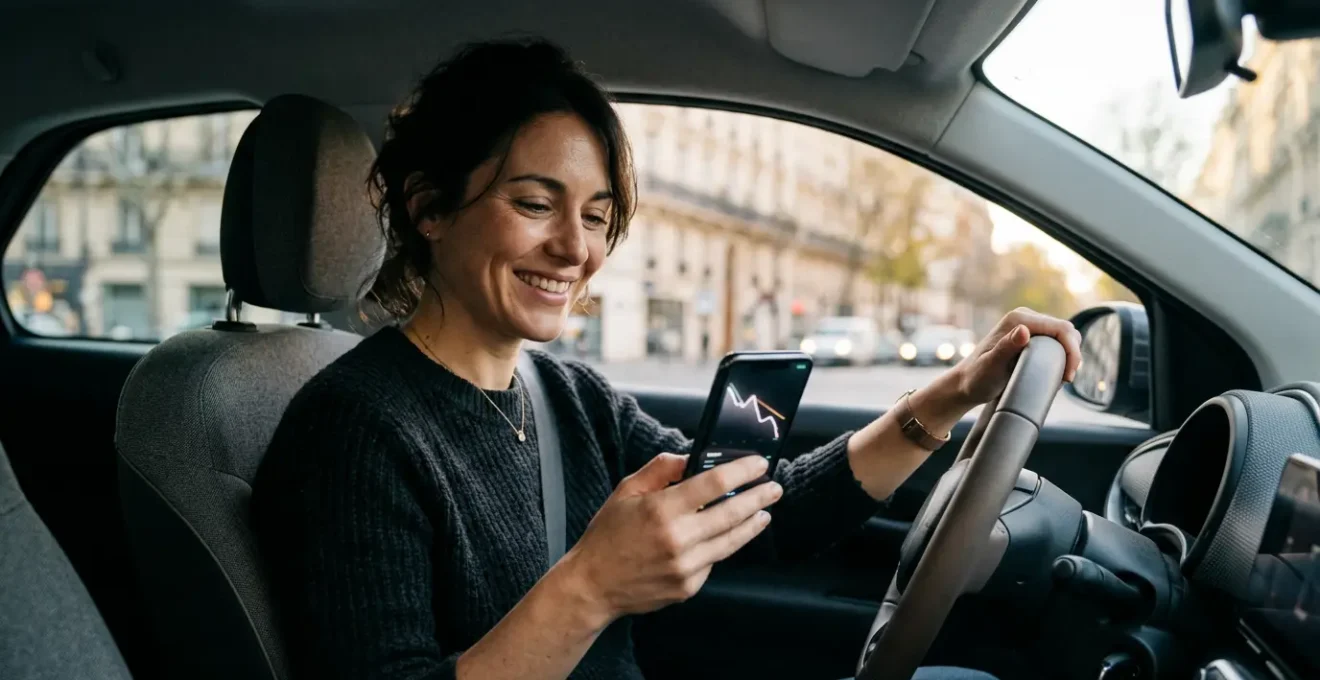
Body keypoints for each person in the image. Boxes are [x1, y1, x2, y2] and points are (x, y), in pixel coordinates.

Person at [250, 38, 1083, 680]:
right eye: (535, 203)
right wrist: (591, 588)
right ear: (430, 207)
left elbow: (771, 512)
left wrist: (957, 391)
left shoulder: (567, 395)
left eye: (598, 216)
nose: (574, 248)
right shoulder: (355, 431)